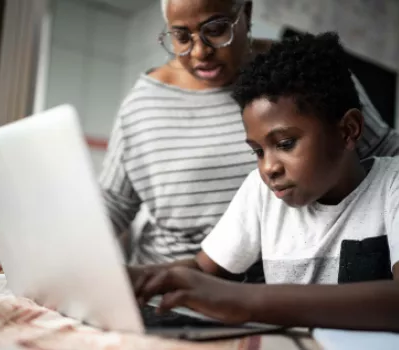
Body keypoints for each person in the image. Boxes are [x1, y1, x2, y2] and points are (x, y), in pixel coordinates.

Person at [0, 0, 399, 278]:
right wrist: (49, 259)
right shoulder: (143, 104)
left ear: (245, 12)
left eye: (216, 29)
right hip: (177, 277)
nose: (199, 51)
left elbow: (384, 159)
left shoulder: (307, 80)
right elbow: (113, 204)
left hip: (268, 285)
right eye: (181, 36)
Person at [132, 32, 399, 331]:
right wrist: (136, 278)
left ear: (348, 130)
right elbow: (203, 270)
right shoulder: (261, 191)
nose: (268, 167)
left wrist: (245, 300)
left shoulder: (393, 185)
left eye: (285, 143)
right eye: (258, 151)